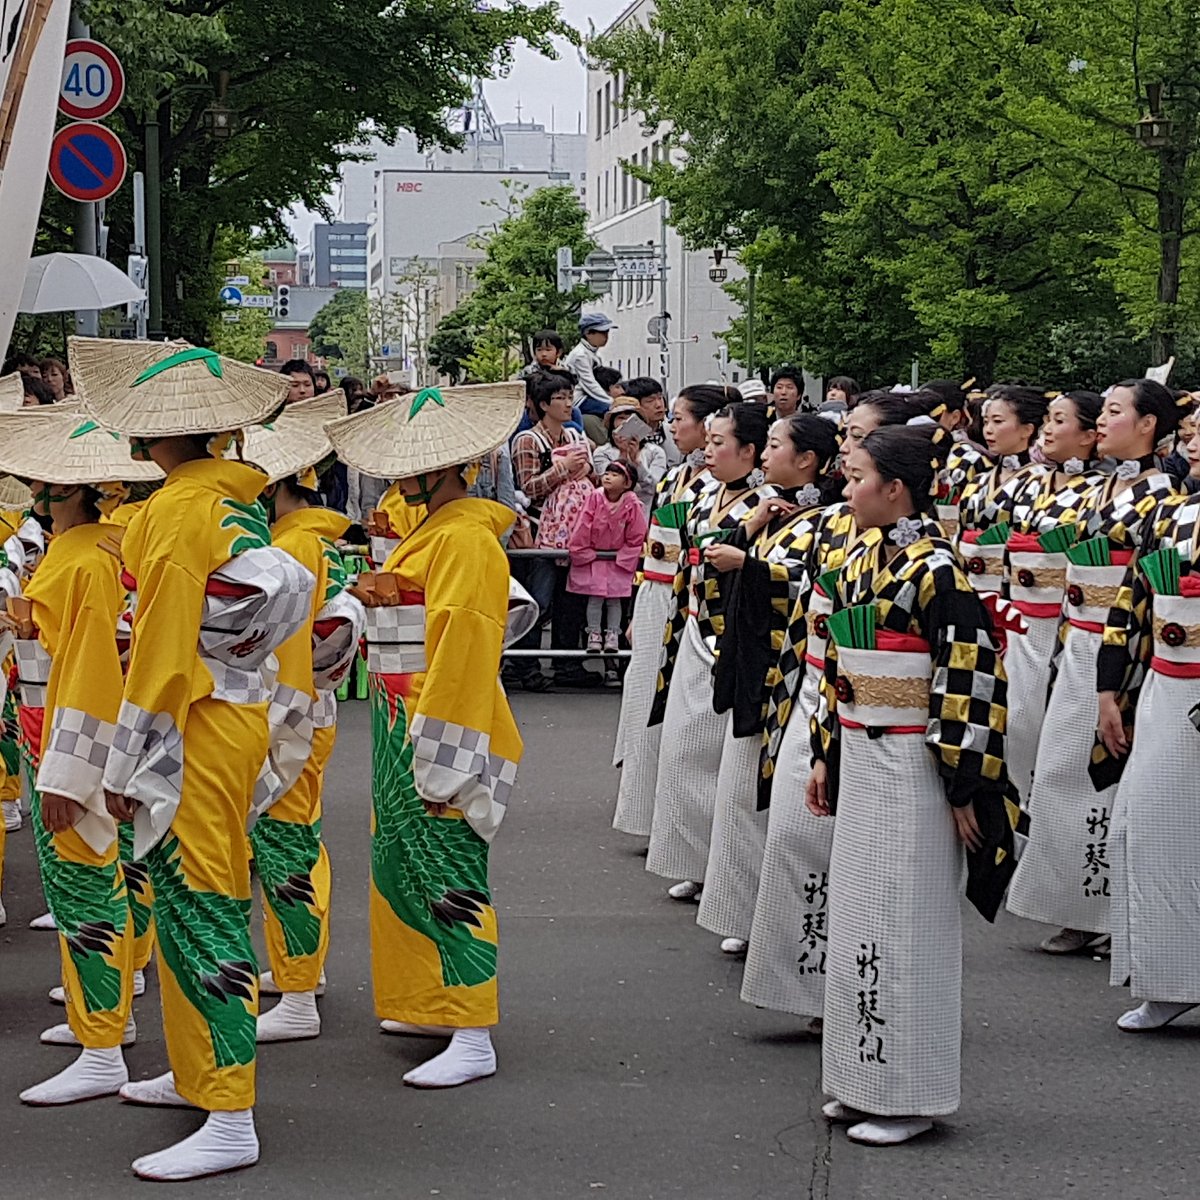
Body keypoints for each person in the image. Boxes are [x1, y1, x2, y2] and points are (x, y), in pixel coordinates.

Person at [71, 336, 315, 1181]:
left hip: (197, 724)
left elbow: (168, 650)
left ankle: (230, 1112)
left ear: (147, 439)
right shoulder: (229, 501)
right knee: (186, 897)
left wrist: (119, 755)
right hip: (229, 711)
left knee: (203, 900)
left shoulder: (179, 511)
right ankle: (197, 1069)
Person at [809, 424, 1015, 1147]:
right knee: (862, 913)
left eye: (857, 474)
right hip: (863, 752)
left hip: (915, 761)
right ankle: (860, 1076)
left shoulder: (938, 572)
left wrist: (965, 788)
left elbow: (970, 679)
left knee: (907, 920)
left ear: (895, 488)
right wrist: (826, 753)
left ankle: (910, 1092)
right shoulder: (862, 556)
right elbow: (838, 670)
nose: (845, 486)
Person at [324, 381, 525, 1089]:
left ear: (442, 470)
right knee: (399, 861)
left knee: (448, 867)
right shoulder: (432, 531)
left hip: (436, 718)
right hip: (399, 709)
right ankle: (430, 998)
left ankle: (473, 1027)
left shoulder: (467, 538)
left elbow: (465, 652)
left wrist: (447, 758)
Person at [1, 406, 161, 1106]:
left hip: (72, 730)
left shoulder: (83, 562)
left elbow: (92, 668)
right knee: (104, 874)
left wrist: (73, 771)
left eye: (48, 483)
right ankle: (106, 1010)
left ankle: (102, 1041)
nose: (36, 491)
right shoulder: (95, 552)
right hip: (64, 722)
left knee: (84, 882)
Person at [1007, 379, 1184, 955]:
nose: (1102, 423)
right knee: (1061, 768)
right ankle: (1080, 899)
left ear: (1150, 424)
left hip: (1121, 647)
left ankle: (1108, 908)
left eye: (1114, 412)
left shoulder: (1165, 498)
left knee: (1099, 769)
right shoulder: (1105, 487)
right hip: (1077, 636)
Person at [241, 396, 366, 1043]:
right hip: (312, 707)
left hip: (290, 711)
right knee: (297, 843)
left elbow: (282, 654)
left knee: (286, 847)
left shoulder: (290, 548)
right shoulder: (318, 537)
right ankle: (299, 974)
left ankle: (297, 991)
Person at [700, 415, 840, 956]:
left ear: (807, 460)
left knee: (769, 805)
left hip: (790, 671)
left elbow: (815, 588)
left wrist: (750, 564)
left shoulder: (827, 520)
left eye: (776, 446)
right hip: (755, 663)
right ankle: (742, 907)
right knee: (739, 796)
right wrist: (751, 531)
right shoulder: (774, 510)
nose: (765, 456)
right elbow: (720, 559)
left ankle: (770, 919)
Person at [1091, 419, 1200, 1031]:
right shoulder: (1171, 515)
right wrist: (1111, 692)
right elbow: (1130, 607)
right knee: (1146, 828)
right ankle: (1170, 976)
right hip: (1165, 687)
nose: (1192, 437)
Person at [647, 403, 774, 900]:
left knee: (718, 758)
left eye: (720, 442)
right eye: (710, 439)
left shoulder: (769, 504)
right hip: (694, 624)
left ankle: (725, 871)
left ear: (750, 451)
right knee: (682, 749)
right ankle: (695, 859)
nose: (709, 449)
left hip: (732, 638)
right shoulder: (702, 493)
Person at [611, 384, 727, 839]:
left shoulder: (716, 486)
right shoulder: (676, 477)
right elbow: (649, 547)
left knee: (674, 709)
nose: (673, 425)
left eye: (682, 417)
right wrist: (638, 603)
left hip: (686, 599)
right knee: (643, 699)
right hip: (656, 592)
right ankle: (646, 812)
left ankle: (675, 822)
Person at [998, 391, 1104, 805]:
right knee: (1013, 720)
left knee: (1050, 728)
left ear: (1088, 436)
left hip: (1062, 624)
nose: (1048, 428)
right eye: (1048, 419)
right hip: (1016, 619)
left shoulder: (1099, 493)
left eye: (1060, 421)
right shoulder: (1026, 481)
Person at [511, 372, 598, 690]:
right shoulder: (528, 440)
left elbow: (594, 478)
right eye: (559, 397)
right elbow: (528, 487)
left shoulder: (576, 436)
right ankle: (525, 664)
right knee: (539, 599)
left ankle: (567, 664)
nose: (567, 402)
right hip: (540, 533)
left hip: (577, 532)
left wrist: (584, 468)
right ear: (543, 404)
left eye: (569, 395)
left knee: (571, 600)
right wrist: (562, 469)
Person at [954, 385, 1049, 595]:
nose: (988, 429)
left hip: (1017, 590)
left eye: (998, 422)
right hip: (970, 585)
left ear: (1027, 429)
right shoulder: (978, 480)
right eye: (986, 421)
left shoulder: (1043, 481)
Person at [568, 459, 648, 655]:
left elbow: (637, 535)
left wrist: (624, 556)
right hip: (595, 557)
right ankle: (593, 634)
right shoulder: (594, 498)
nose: (608, 477)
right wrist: (584, 551)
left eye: (615, 474)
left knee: (615, 600)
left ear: (627, 483)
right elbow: (583, 526)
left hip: (617, 559)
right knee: (594, 599)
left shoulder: (633, 504)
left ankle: (612, 634)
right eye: (607, 473)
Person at [594, 400, 668, 513]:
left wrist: (637, 463)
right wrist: (624, 455)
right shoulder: (602, 453)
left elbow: (656, 488)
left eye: (631, 418)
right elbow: (610, 486)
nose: (625, 422)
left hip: (645, 515)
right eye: (621, 417)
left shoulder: (655, 452)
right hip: (611, 515)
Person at [562, 313, 618, 443]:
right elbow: (589, 384)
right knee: (615, 411)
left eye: (607, 332)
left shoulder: (590, 352)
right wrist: (610, 402)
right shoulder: (580, 355)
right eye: (602, 333)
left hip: (588, 397)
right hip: (580, 399)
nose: (606, 337)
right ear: (588, 333)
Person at [624, 376, 680, 466]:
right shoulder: (625, 437)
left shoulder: (674, 432)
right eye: (650, 401)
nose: (658, 405)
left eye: (660, 398)